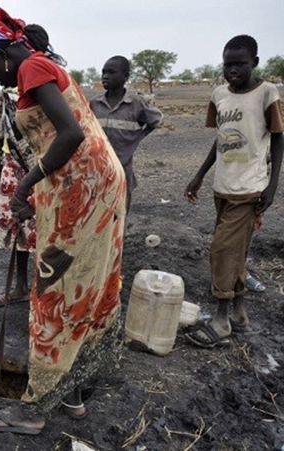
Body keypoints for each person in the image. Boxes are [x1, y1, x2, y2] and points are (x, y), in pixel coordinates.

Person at [0, 8, 127, 430]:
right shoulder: (42, 66)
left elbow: (70, 134)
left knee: (54, 291)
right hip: (88, 184)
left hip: (82, 189)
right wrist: (37, 189)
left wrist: (26, 186)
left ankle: (34, 409)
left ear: (4, 53)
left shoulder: (31, 66)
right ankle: (71, 394)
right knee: (80, 284)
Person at [185, 35, 283, 348]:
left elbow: (279, 138)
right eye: (228, 63)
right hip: (222, 188)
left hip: (249, 188)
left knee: (222, 250)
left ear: (254, 62)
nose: (232, 70)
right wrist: (199, 176)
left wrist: (273, 184)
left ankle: (221, 319)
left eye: (240, 63)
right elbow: (222, 140)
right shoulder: (218, 94)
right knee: (236, 252)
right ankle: (240, 315)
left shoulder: (268, 93)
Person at [90, 56, 163, 212]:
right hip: (97, 169)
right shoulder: (94, 104)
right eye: (103, 72)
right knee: (98, 212)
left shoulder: (136, 103)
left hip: (123, 168)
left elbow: (155, 120)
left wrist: (137, 138)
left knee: (120, 213)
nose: (105, 76)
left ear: (125, 76)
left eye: (111, 72)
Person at [0, 88, 37, 306]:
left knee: (44, 231)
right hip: (13, 168)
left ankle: (45, 289)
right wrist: (2, 169)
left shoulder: (37, 94)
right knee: (18, 230)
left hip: (40, 169)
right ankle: (21, 287)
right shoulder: (8, 98)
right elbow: (5, 139)